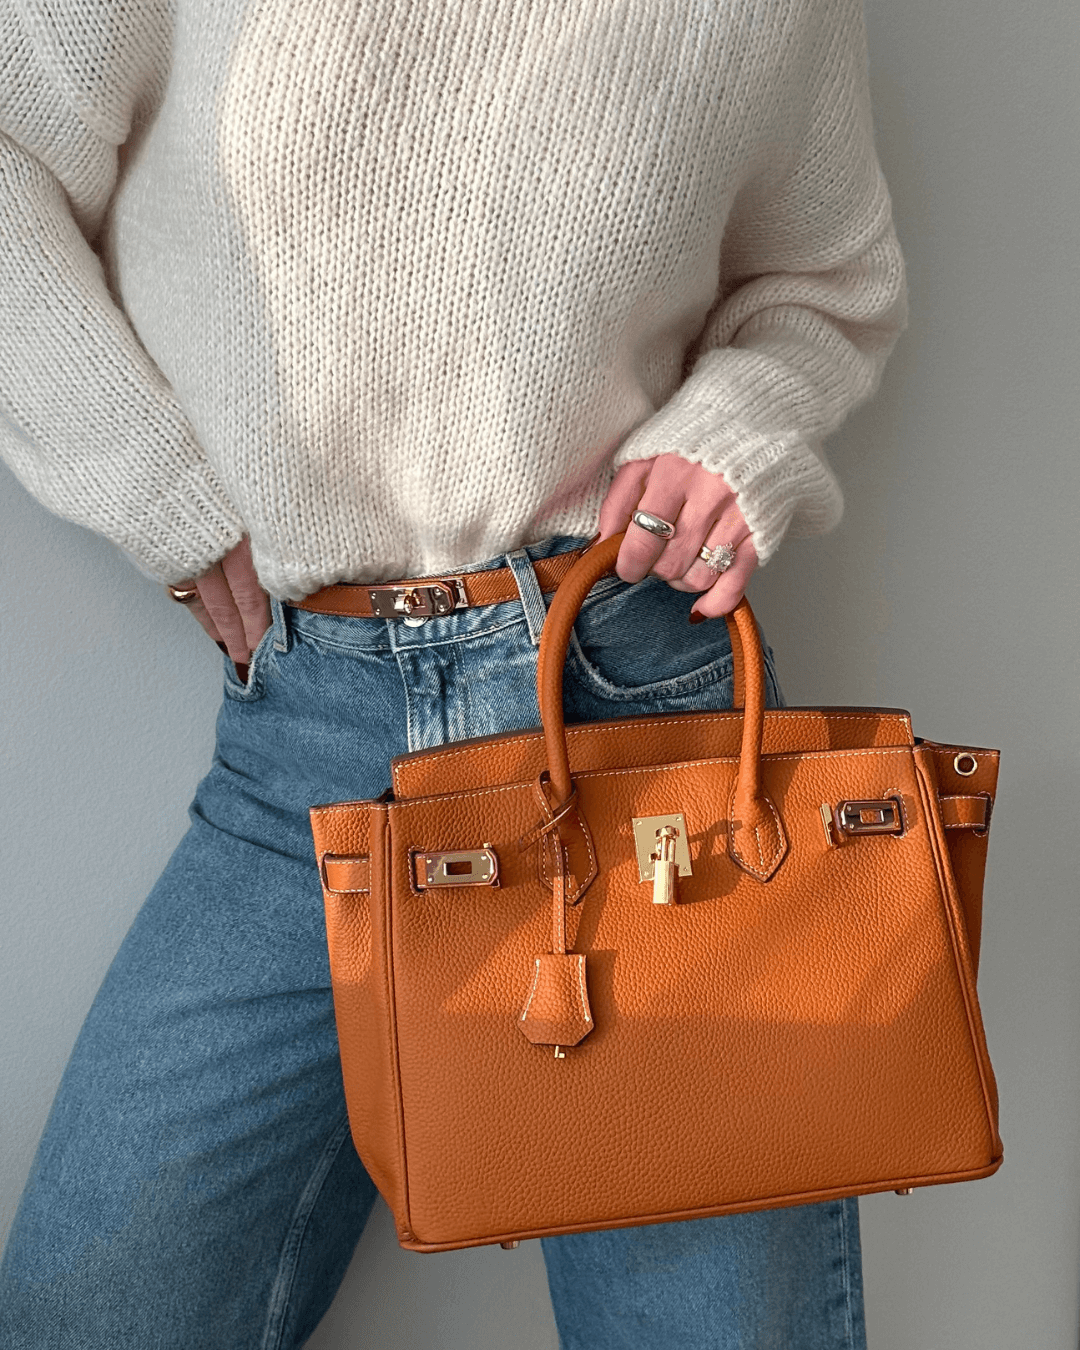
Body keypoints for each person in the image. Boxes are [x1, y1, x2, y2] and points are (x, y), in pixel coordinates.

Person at [0, 0, 906, 1344]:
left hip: (639, 722)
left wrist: (734, 435)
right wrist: (144, 478)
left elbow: (825, 286)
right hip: (312, 730)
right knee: (94, 1307)